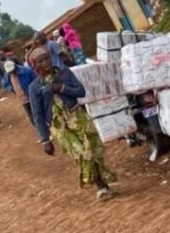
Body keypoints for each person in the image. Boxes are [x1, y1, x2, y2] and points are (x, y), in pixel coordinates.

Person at [28, 47, 116, 200]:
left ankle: (103, 182)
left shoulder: (65, 73)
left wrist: (61, 88)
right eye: (40, 61)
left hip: (78, 118)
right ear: (35, 66)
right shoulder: (34, 87)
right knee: (81, 154)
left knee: (93, 151)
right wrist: (44, 139)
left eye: (47, 58)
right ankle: (100, 186)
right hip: (60, 127)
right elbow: (38, 114)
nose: (46, 62)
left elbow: (81, 91)